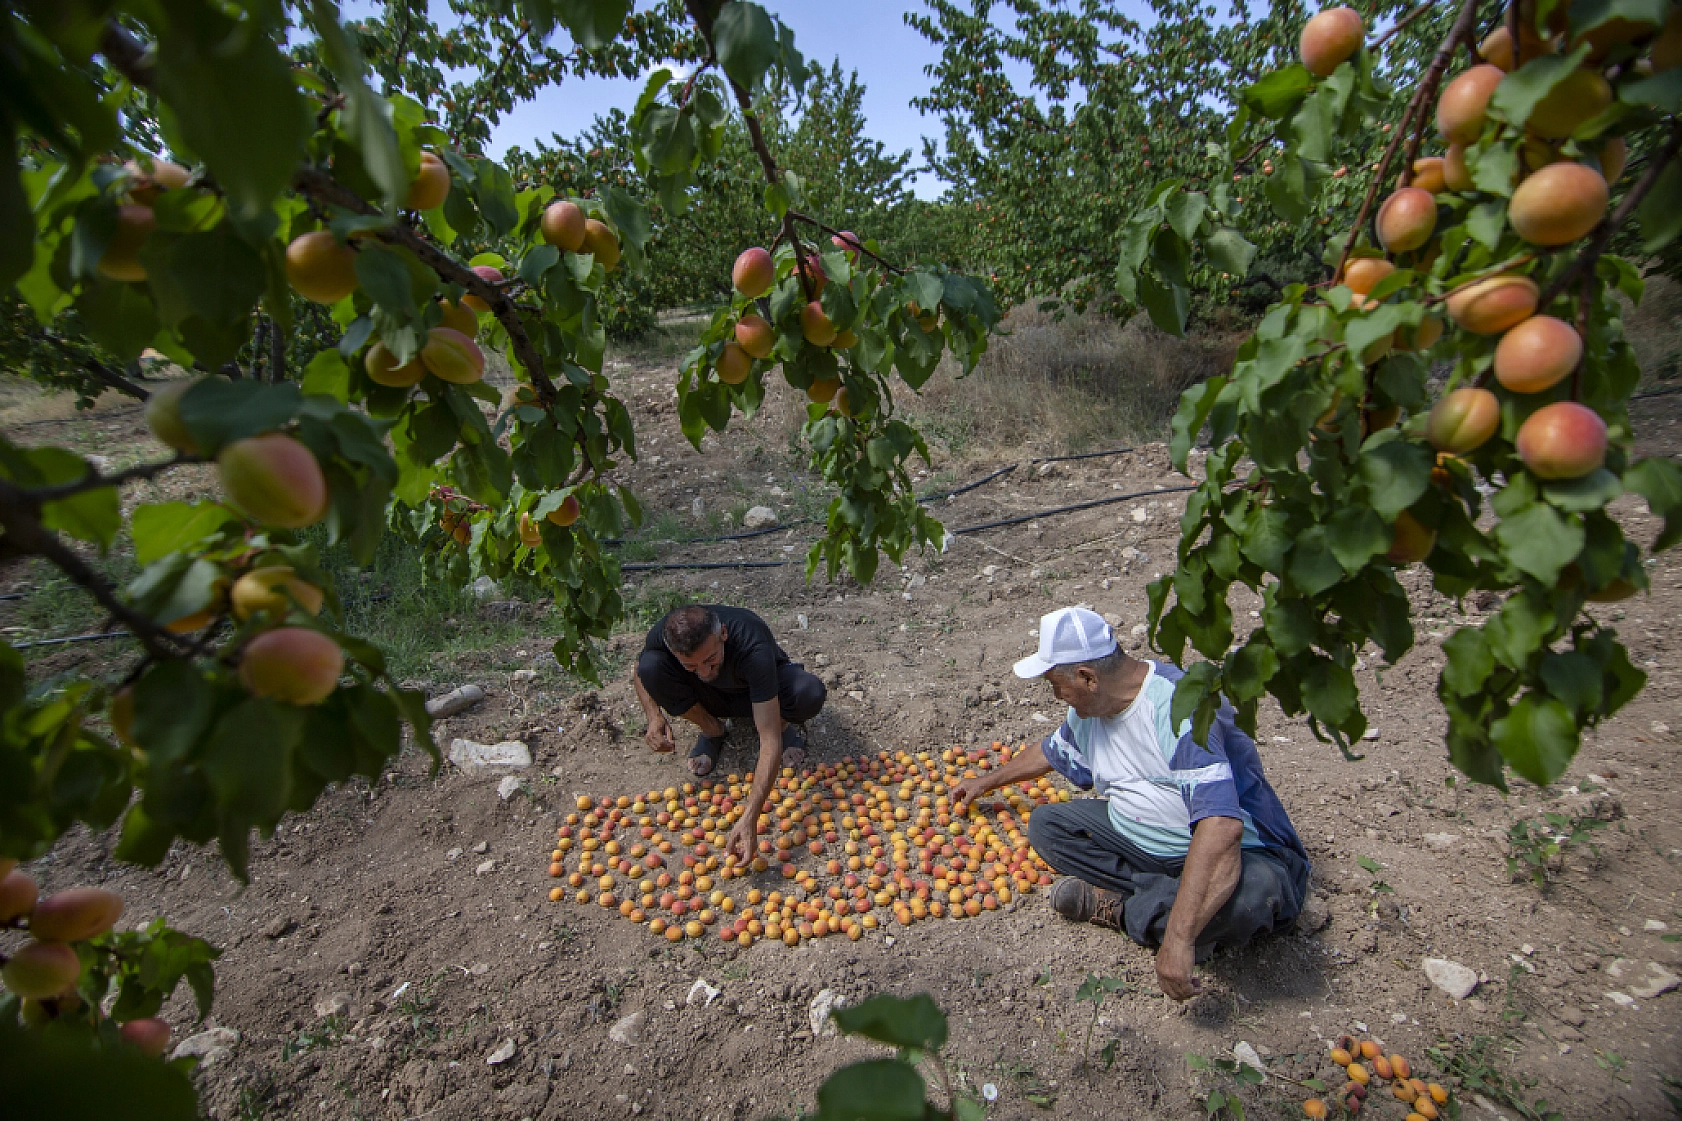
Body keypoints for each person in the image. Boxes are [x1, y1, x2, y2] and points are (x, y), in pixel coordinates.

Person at [951, 606, 1310, 1001]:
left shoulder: (1179, 708)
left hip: (1238, 851)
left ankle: (1129, 910)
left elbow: (1222, 828)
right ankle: (1174, 900)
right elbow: (1051, 752)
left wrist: (1178, 940)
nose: (1055, 696)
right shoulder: (1089, 711)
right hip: (1143, 839)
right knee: (1047, 826)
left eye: (1056, 684)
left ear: (1088, 677)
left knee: (1255, 895)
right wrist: (986, 782)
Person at [632, 604, 827, 864]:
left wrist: (751, 816)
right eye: (691, 665)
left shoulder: (750, 640)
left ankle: (782, 724)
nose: (704, 671)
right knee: (651, 667)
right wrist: (654, 717)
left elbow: (768, 741)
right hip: (711, 696)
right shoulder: (666, 634)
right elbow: (639, 669)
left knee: (808, 692)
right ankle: (713, 729)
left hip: (759, 690)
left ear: (723, 633)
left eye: (710, 659)